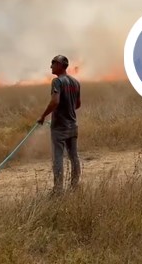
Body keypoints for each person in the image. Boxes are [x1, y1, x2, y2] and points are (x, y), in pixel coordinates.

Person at [37, 55, 82, 193]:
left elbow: (55, 101)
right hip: (73, 126)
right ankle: (74, 186)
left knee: (58, 158)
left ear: (61, 65)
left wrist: (43, 116)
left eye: (53, 63)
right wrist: (68, 109)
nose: (51, 66)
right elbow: (78, 104)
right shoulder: (75, 82)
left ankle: (58, 190)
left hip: (59, 128)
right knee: (73, 156)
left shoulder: (57, 82)